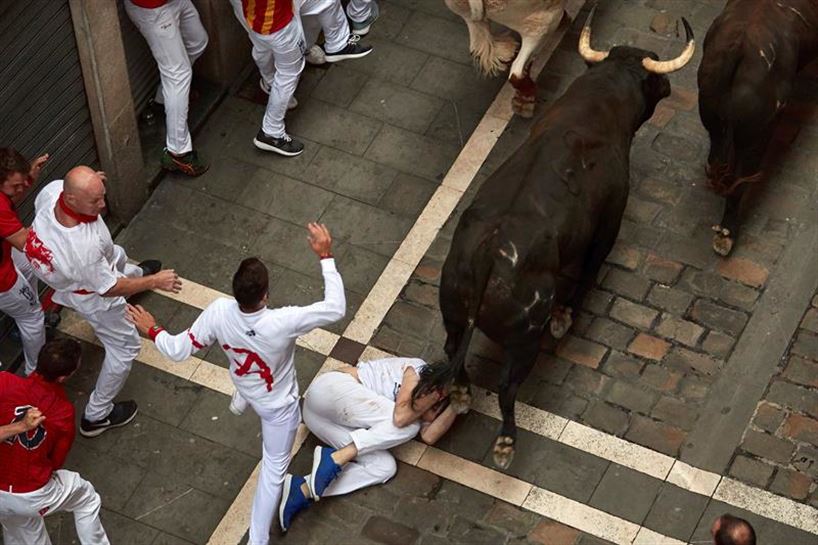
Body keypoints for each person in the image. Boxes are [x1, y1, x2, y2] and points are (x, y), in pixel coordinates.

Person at [126, 222, 345, 545]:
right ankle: (258, 541)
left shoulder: (218, 312)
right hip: (277, 408)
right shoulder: (282, 322)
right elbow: (336, 308)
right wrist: (325, 255)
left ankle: (241, 398)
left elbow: (178, 350)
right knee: (272, 473)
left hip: (245, 381)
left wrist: (153, 329)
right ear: (266, 294)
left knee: (244, 381)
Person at [23, 166, 182, 437]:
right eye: (95, 200)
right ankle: (97, 415)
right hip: (95, 297)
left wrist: (93, 186)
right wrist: (155, 282)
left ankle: (138, 275)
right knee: (125, 348)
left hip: (78, 278)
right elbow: (109, 287)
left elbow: (105, 267)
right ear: (71, 199)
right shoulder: (84, 249)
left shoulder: (52, 192)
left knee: (117, 255)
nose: (103, 204)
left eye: (102, 195)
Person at [278, 356, 457, 531]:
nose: (431, 404)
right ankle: (335, 458)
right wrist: (437, 395)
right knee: (408, 427)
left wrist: (456, 406)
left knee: (384, 467)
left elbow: (429, 436)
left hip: (318, 420)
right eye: (434, 394)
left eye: (436, 407)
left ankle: (301, 489)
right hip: (330, 391)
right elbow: (401, 417)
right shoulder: (416, 369)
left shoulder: (422, 410)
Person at [0, 338, 110, 545]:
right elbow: (56, 461)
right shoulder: (63, 411)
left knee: (22, 528)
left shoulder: (3, 381)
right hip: (32, 492)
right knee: (86, 497)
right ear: (63, 377)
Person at [229, 0, 371, 157]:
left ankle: (336, 45)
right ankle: (271, 132)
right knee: (289, 72)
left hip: (258, 15)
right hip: (276, 23)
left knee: (262, 46)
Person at [124, 0, 209, 176]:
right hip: (153, 9)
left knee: (197, 41)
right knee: (178, 73)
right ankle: (178, 153)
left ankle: (164, 101)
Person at [0, 149, 48, 374]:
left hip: (5, 255)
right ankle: (36, 373)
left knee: (29, 266)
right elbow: (25, 242)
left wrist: (28, 178)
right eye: (16, 185)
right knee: (33, 317)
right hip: (2, 278)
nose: (21, 189)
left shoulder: (3, 196)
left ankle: (22, 317)